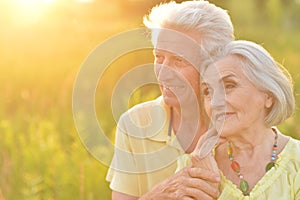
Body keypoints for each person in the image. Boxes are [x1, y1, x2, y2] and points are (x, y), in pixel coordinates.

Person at [106, 1, 234, 199]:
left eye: (179, 60)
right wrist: (163, 193)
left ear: (216, 65)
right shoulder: (134, 124)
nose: (163, 73)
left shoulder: (241, 122)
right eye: (159, 57)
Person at [178, 40, 300, 199]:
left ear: (268, 96)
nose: (215, 102)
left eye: (229, 86)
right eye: (208, 91)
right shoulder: (192, 167)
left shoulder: (296, 162)